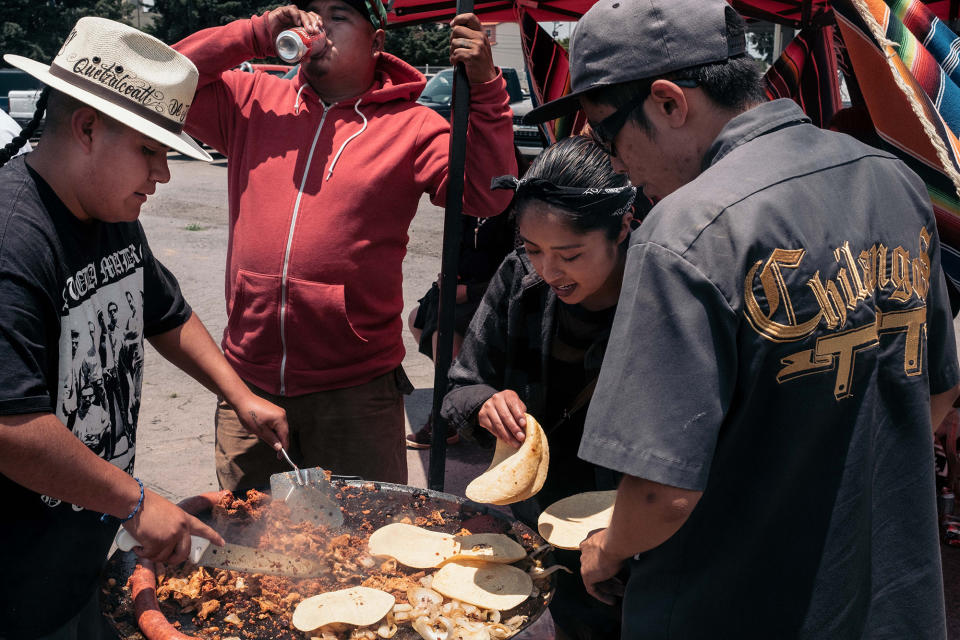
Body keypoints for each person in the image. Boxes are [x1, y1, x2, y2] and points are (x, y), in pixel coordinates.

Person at [524, 0, 960, 637]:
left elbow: (660, 493)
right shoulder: (891, 178)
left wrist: (608, 549)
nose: (614, 164)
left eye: (607, 134)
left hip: (738, 605)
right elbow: (939, 389)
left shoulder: (683, 232)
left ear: (670, 102)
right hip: (884, 598)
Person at [0, 18, 291, 639]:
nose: (162, 175)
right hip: (13, 578)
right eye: (150, 151)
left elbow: (166, 312)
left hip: (77, 550)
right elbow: (10, 427)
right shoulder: (13, 242)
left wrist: (238, 395)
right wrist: (135, 501)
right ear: (86, 128)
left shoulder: (105, 211)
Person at [172, 1, 516, 491]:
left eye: (337, 15)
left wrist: (485, 86)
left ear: (377, 42)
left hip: (356, 391)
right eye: (309, 11)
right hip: (248, 383)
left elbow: (490, 193)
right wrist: (254, 32)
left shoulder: (413, 127)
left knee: (363, 547)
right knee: (250, 543)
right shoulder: (253, 100)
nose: (316, 25)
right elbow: (163, 77)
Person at [442, 135, 639, 639]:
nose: (549, 271)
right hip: (547, 524)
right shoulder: (519, 279)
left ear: (622, 228)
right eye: (533, 249)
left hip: (641, 527)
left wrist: (621, 542)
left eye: (570, 254)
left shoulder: (663, 290)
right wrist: (485, 403)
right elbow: (461, 386)